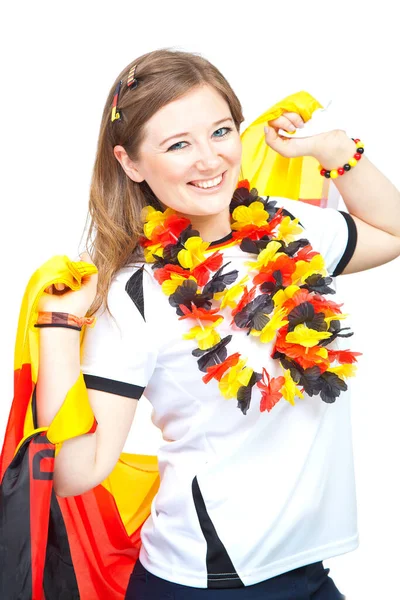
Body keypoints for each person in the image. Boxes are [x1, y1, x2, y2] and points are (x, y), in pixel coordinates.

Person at [34, 48, 400, 599]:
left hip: (307, 566)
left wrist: (339, 154)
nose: (209, 160)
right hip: (210, 580)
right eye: (178, 144)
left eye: (221, 131)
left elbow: (392, 232)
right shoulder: (135, 294)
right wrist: (58, 325)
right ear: (130, 163)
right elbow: (75, 472)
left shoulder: (289, 227)